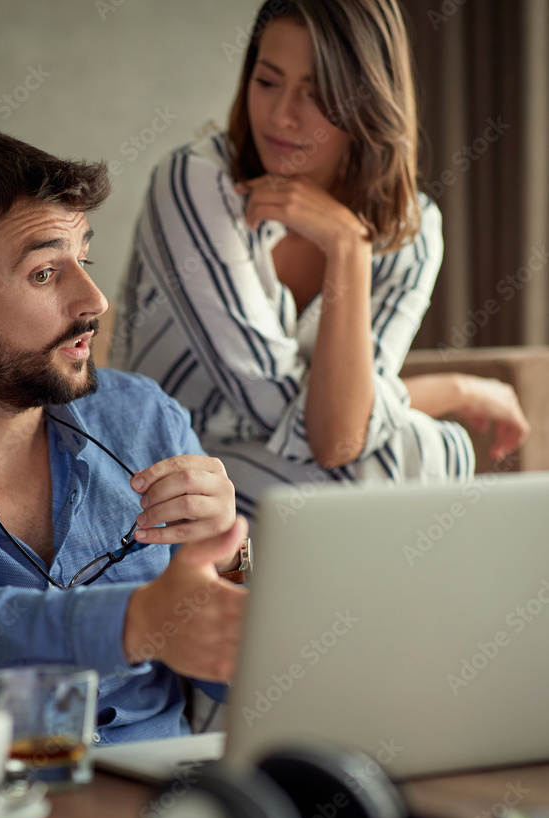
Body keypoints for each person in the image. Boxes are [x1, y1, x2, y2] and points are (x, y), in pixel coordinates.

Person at [0, 126, 250, 743]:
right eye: (45, 273)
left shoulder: (147, 418)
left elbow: (234, 678)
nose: (94, 300)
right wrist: (135, 622)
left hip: (163, 798)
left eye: (85, 259)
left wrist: (231, 558)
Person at [110, 0, 529, 521]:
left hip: (287, 486)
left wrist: (347, 247)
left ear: (370, 101)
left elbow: (340, 432)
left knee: (409, 453)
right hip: (160, 479)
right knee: (421, 450)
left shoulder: (411, 230)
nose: (283, 115)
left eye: (318, 95)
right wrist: (453, 389)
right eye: (268, 82)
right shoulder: (195, 183)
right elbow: (325, 435)